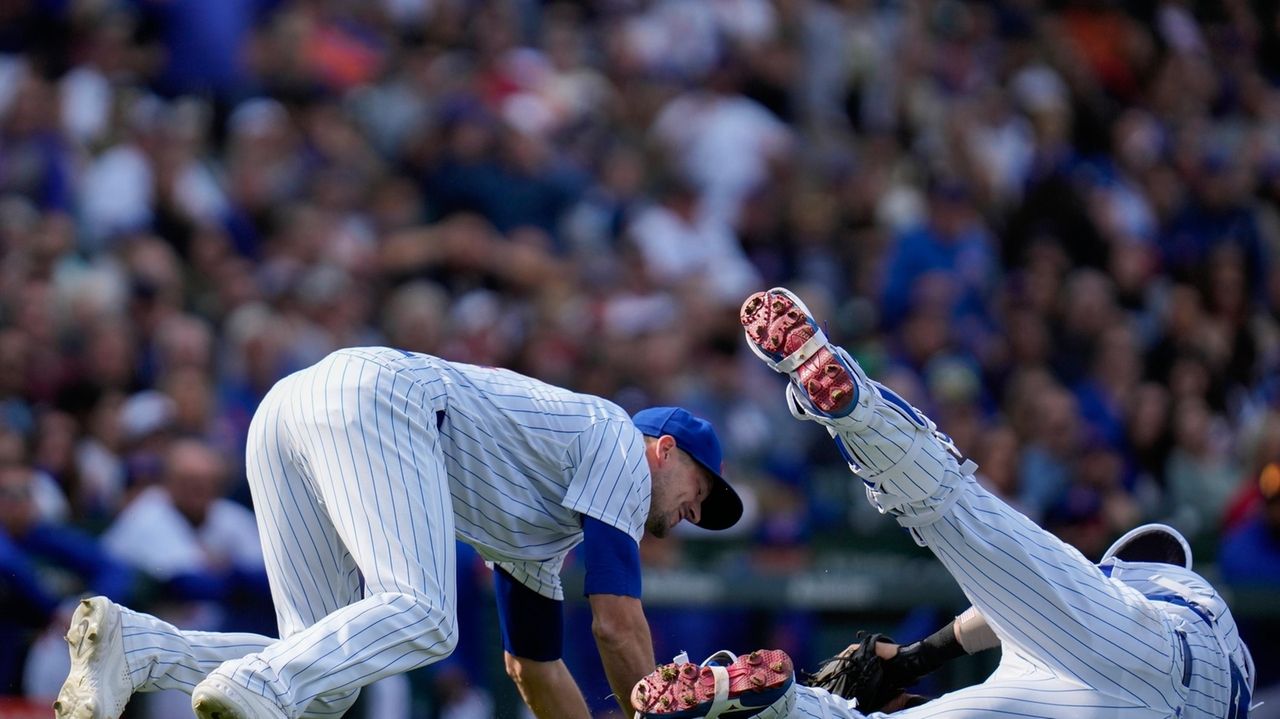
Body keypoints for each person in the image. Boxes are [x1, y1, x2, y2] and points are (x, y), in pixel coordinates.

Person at [633, 287, 1256, 719]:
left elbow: (1024, 604)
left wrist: (912, 661)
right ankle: (772, 706)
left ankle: (772, 703)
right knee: (961, 517)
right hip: (1182, 669)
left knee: (960, 515)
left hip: (1121, 661)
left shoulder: (1117, 599)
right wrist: (908, 662)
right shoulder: (1168, 598)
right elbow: (1029, 606)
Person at [55, 346, 744, 719]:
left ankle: (139, 647)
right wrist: (664, 714)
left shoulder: (543, 532)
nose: (694, 509)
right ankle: (262, 679)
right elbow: (617, 626)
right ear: (664, 449)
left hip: (293, 409)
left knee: (325, 684)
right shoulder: (623, 446)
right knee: (423, 614)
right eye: (701, 488)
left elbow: (533, 669)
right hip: (377, 398)